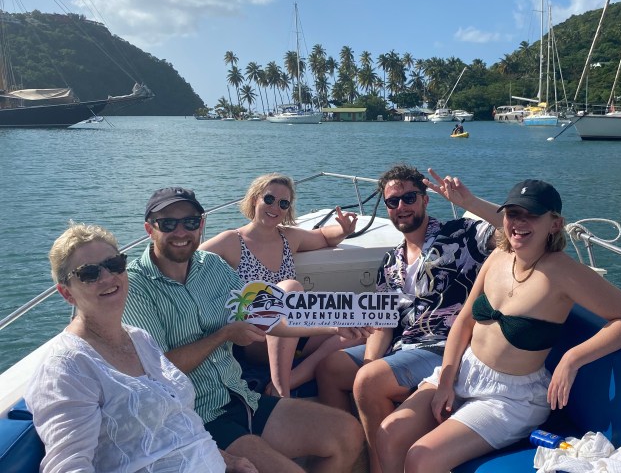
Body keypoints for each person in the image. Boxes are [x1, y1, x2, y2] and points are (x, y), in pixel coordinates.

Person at [374, 178, 621, 473]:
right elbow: (465, 320)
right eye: (512, 214)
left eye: (531, 214)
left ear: (555, 224)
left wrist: (572, 359)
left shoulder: (564, 273)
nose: (519, 223)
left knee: (421, 458)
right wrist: (446, 380)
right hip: (465, 371)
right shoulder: (498, 255)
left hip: (510, 398)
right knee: (389, 433)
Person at [123, 186, 366, 473]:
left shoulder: (211, 266)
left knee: (348, 434)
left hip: (239, 396)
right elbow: (158, 370)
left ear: (200, 225)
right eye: (168, 223)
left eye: (189, 222)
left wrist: (333, 325)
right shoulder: (135, 286)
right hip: (193, 415)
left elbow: (265, 314)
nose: (180, 231)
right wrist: (224, 335)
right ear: (150, 229)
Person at [315, 164, 504, 472]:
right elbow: (383, 323)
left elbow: (514, 230)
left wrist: (469, 204)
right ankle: (355, 455)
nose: (401, 207)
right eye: (393, 201)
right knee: (330, 368)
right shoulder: (390, 261)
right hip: (404, 345)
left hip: (445, 348)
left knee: (368, 381)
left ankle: (378, 467)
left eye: (409, 198)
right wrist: (369, 363)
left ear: (425, 200)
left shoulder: (460, 236)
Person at [25, 223, 246, 473]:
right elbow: (68, 466)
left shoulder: (139, 339)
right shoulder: (66, 367)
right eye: (89, 273)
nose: (108, 277)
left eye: (114, 264)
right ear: (67, 293)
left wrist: (228, 460)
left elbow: (178, 422)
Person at [200, 173, 362, 398]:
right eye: (269, 199)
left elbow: (325, 237)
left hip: (294, 335)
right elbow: (191, 261)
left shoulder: (289, 237)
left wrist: (343, 230)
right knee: (290, 288)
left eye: (283, 203)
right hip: (254, 338)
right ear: (255, 199)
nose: (275, 207)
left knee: (361, 329)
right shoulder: (231, 241)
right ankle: (280, 389)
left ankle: (294, 378)